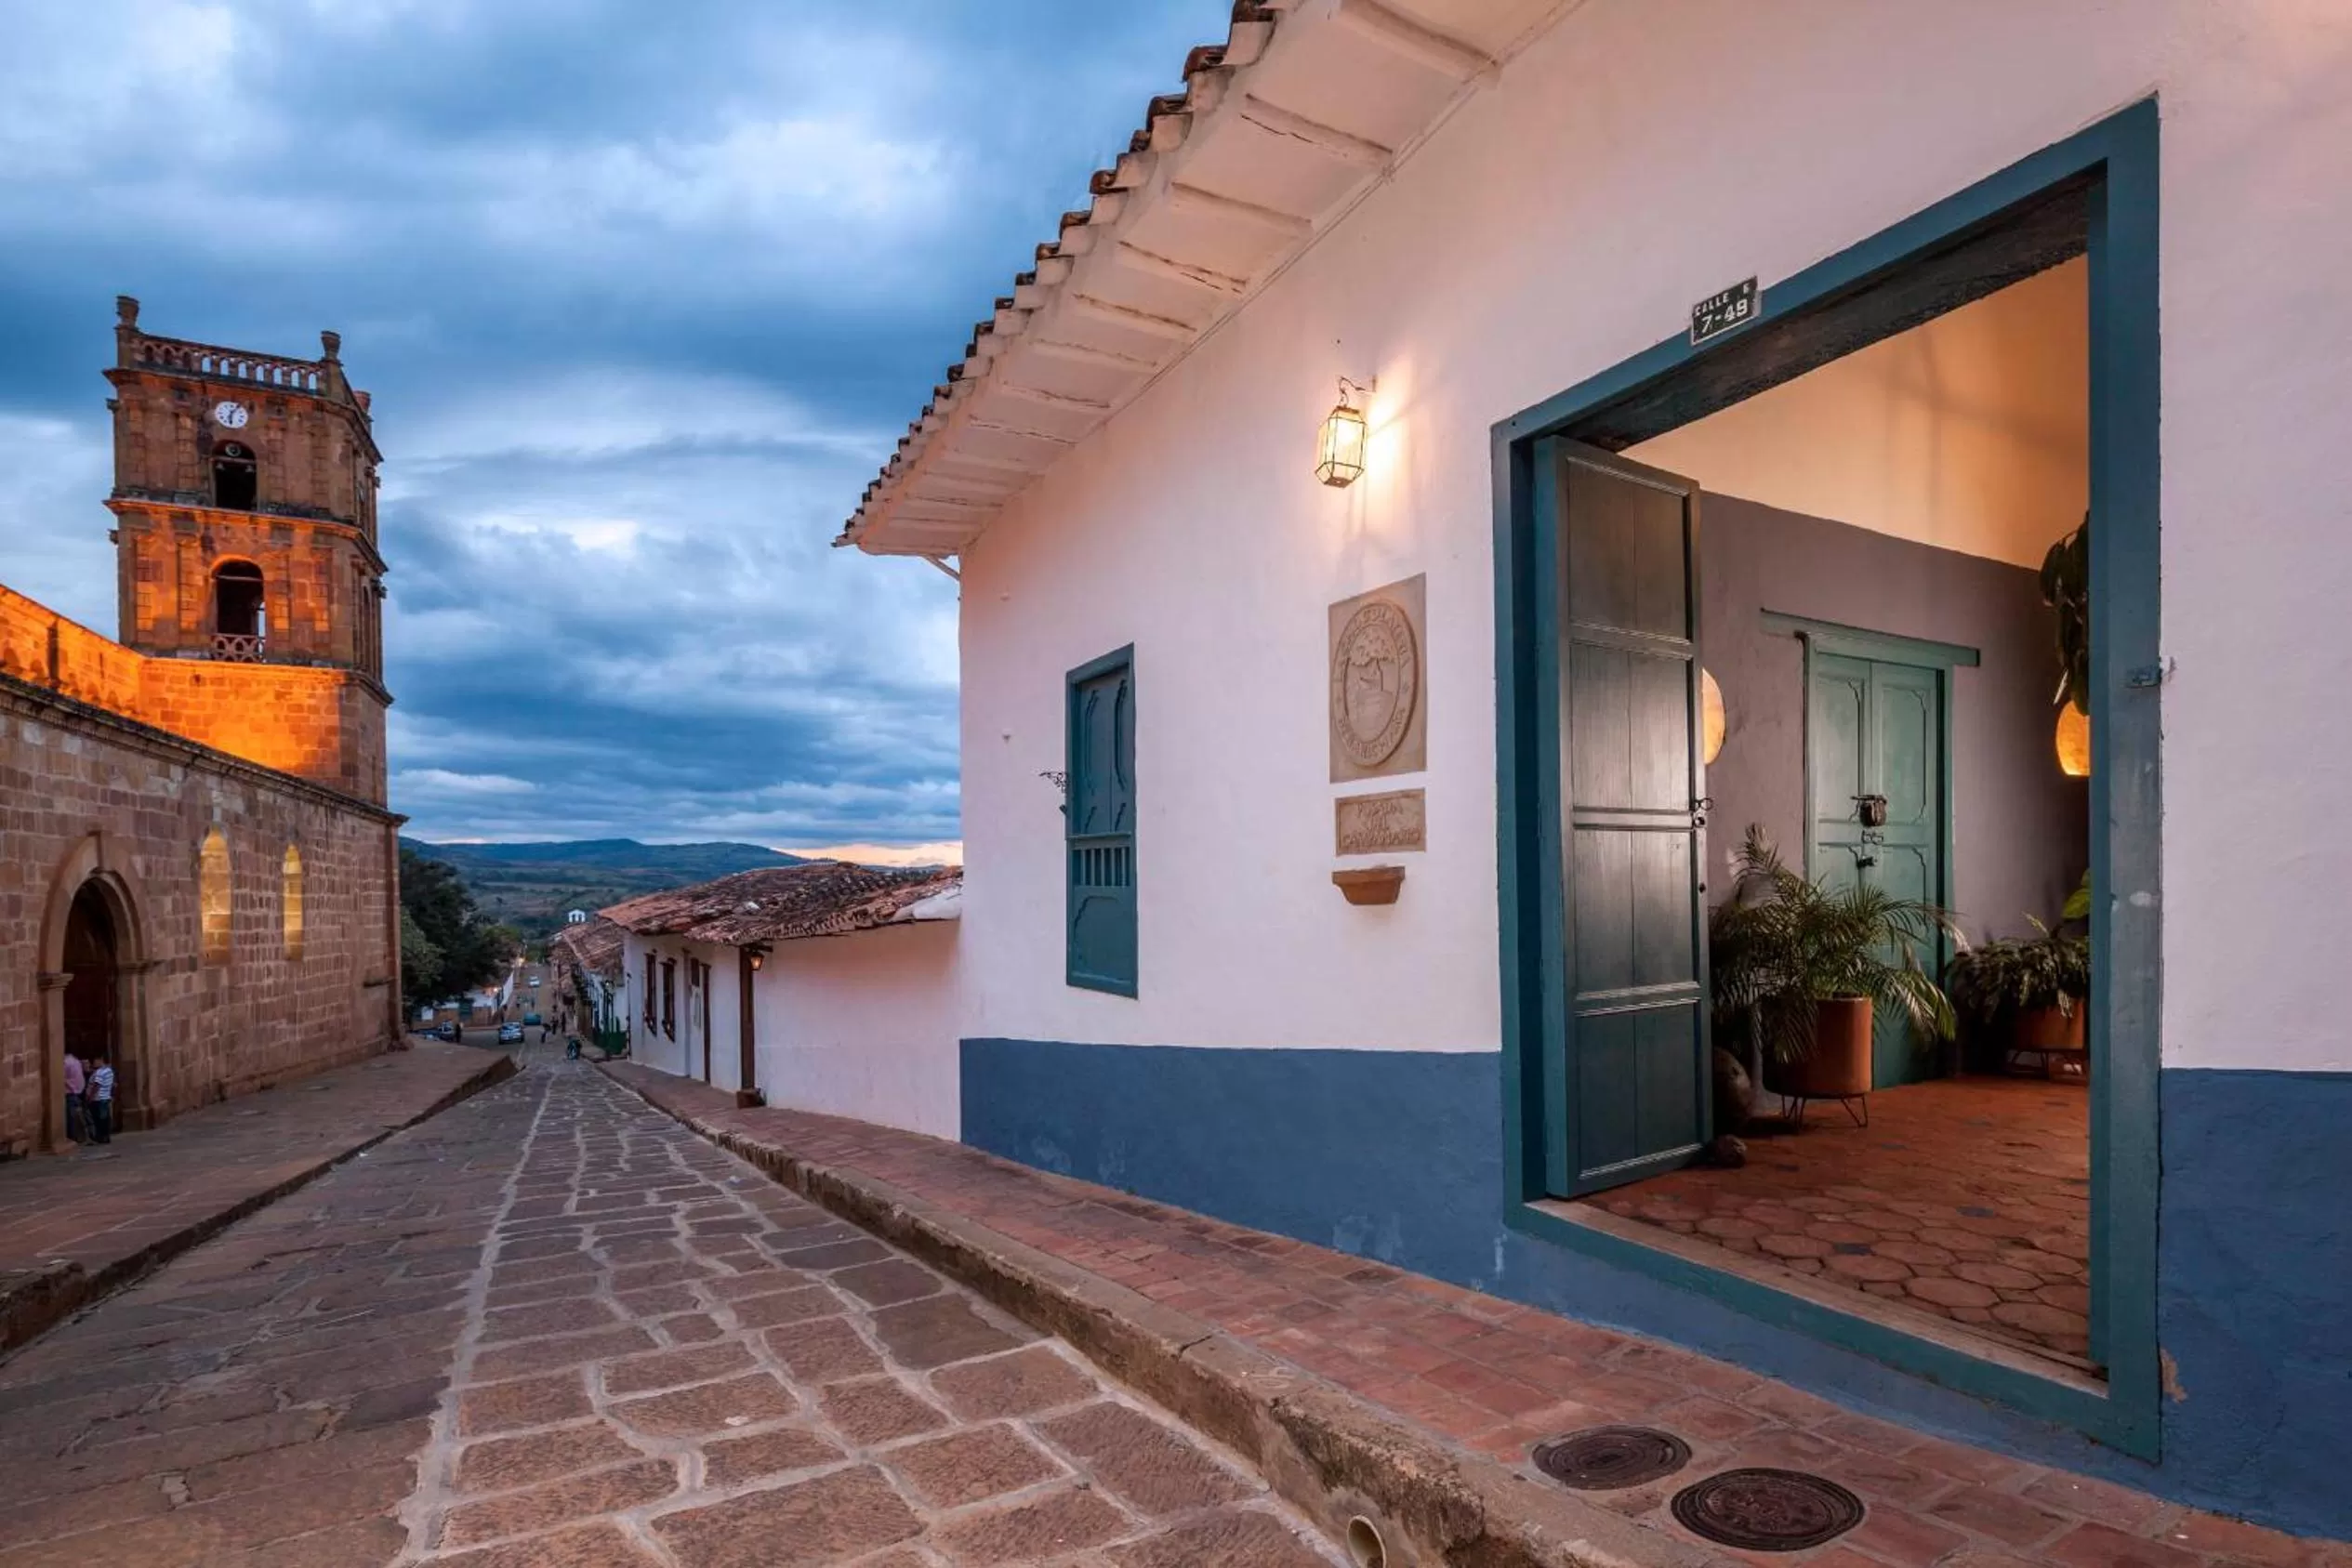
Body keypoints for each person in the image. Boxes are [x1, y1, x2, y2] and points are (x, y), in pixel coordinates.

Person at [86, 1053, 115, 1145]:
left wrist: (90, 1097)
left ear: (101, 1060)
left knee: (98, 1119)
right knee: (105, 1118)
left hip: (98, 1098)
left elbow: (97, 1085)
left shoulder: (100, 1072)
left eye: (95, 1061)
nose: (93, 1063)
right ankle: (106, 1136)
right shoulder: (109, 1070)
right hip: (106, 1097)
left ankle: (100, 1137)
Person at [62, 1049, 86, 1144]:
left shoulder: (65, 1062)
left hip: (69, 1092)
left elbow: (61, 1076)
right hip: (77, 1092)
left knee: (70, 1118)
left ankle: (71, 1137)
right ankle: (77, 1136)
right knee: (75, 1116)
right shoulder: (76, 1061)